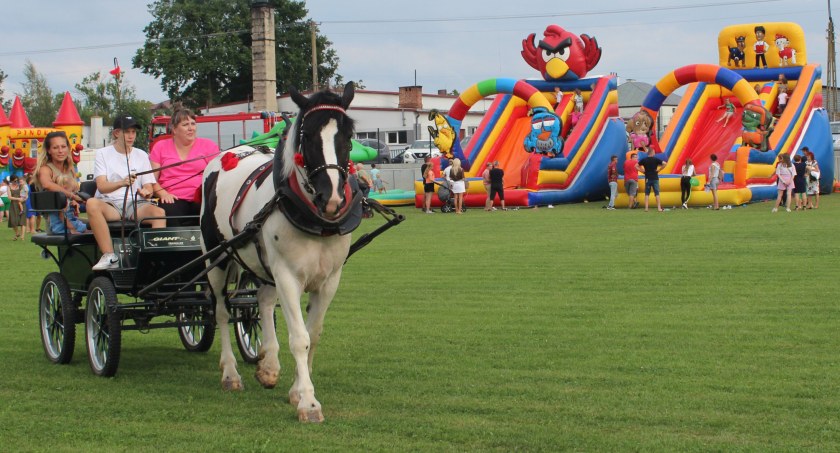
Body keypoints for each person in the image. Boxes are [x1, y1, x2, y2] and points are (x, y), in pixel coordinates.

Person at [85, 115, 166, 270]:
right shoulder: (103, 153)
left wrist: (146, 192)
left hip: (135, 204)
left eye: (133, 132)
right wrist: (121, 183)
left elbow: (148, 186)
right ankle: (109, 255)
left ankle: (153, 259)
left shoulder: (141, 155)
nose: (131, 136)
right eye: (127, 132)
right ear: (116, 133)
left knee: (159, 212)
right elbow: (101, 186)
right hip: (110, 204)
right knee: (91, 203)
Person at [149, 108, 219, 225]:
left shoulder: (209, 146)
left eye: (193, 124)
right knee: (169, 212)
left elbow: (217, 175)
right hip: (172, 198)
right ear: (174, 129)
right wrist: (163, 194)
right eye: (185, 124)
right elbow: (151, 180)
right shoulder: (160, 146)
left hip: (201, 197)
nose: (191, 128)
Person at [6, 175, 27, 240]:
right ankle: (17, 233)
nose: (16, 182)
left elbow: (26, 194)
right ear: (11, 181)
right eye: (15, 180)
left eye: (17, 180)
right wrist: (18, 198)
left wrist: (23, 199)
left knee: (22, 220)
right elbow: (9, 197)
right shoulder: (9, 187)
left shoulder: (21, 185)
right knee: (13, 221)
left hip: (21, 204)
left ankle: (22, 236)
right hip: (13, 204)